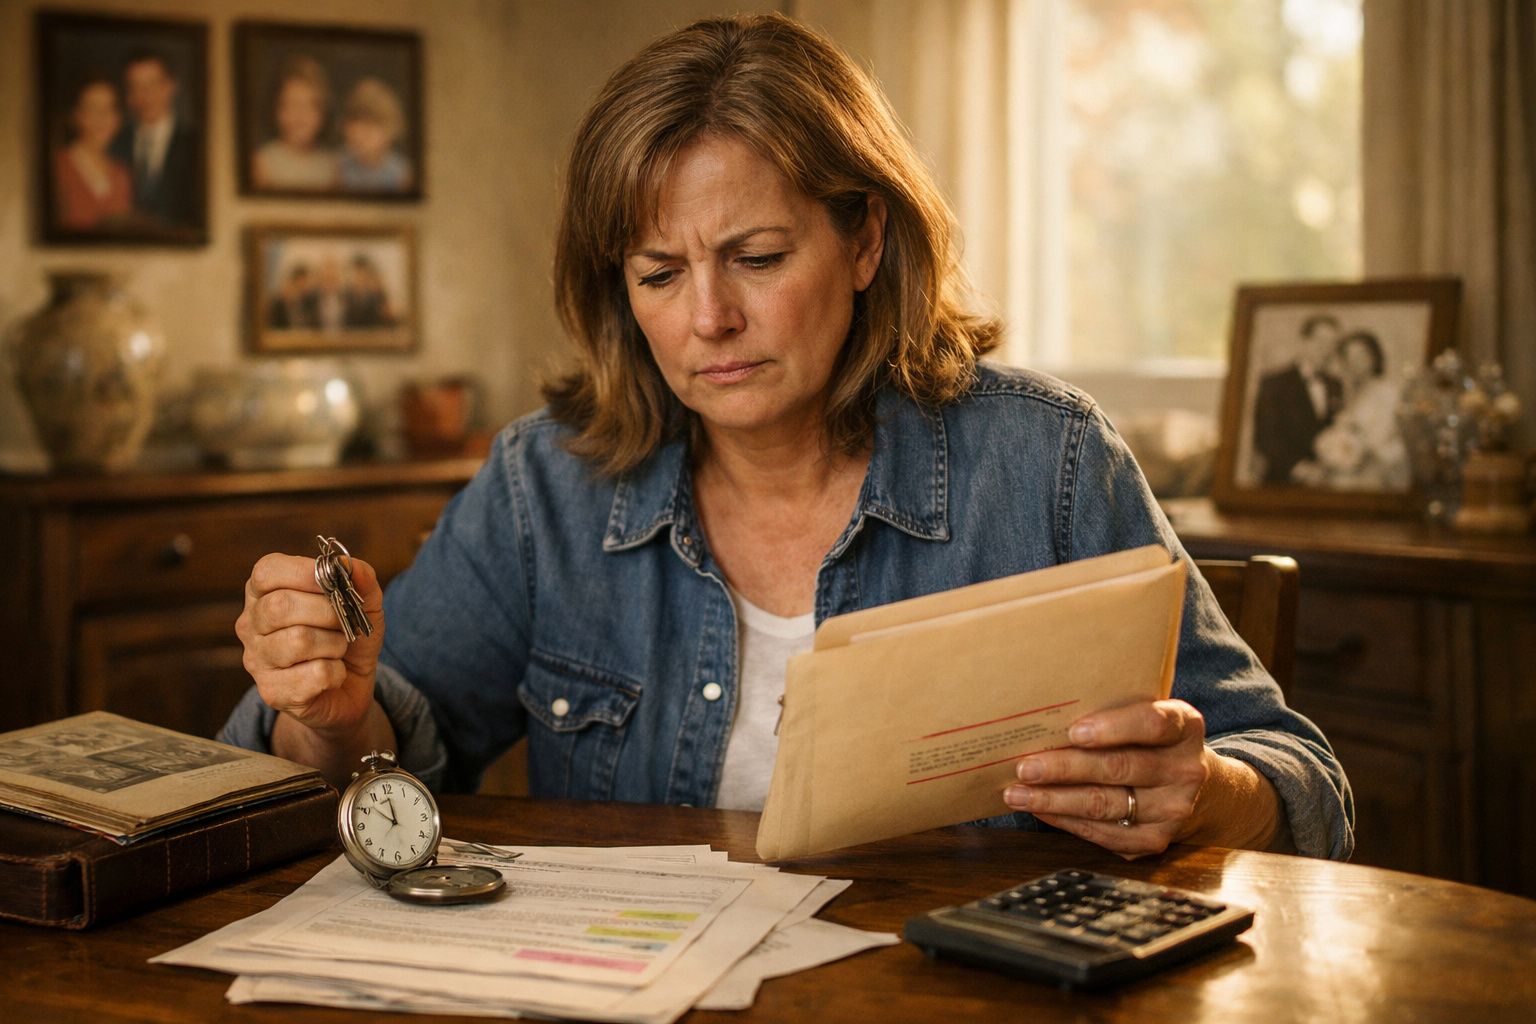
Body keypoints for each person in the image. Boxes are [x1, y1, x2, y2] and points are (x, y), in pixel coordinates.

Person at [223, 13, 1353, 862]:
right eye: (659, 274)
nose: (709, 318)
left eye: (757, 259)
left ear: (865, 242)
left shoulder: (1044, 464)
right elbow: (371, 758)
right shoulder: (547, 483)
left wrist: (1203, 789)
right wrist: (324, 718)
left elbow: (1304, 782)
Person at [1293, 331, 1408, 491]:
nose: (1355, 362)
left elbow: (1380, 438)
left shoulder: (1387, 393)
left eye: (1361, 356)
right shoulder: (1347, 394)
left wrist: (1348, 450)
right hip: (1349, 472)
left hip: (1377, 472)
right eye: (1349, 357)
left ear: (1374, 358)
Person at [109, 49, 200, 226]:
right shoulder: (115, 143)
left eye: (152, 84)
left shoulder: (194, 144)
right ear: (128, 96)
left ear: (171, 87)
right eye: (136, 87)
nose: (145, 96)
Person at [1251, 314, 1344, 485]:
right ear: (1303, 341)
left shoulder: (1335, 385)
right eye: (1320, 341)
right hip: (1281, 482)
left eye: (1332, 344)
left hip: (1324, 482)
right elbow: (1264, 436)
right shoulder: (1273, 382)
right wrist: (1298, 468)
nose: (1326, 349)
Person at [53, 74, 133, 230]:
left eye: (109, 109)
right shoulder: (59, 165)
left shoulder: (121, 175)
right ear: (76, 115)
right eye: (93, 109)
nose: (102, 118)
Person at [252, 55, 337, 191]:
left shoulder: (332, 166)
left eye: (310, 105)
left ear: (323, 112)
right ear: (276, 109)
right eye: (291, 104)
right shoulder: (262, 164)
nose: (300, 116)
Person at [337, 77, 414, 192]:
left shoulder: (401, 172)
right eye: (357, 123)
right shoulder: (339, 166)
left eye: (369, 129)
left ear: (390, 131)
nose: (360, 135)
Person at [266, 263, 319, 330]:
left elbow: (313, 325)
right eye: (303, 281)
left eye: (307, 281)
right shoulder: (279, 303)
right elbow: (273, 326)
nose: (305, 285)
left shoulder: (309, 301)